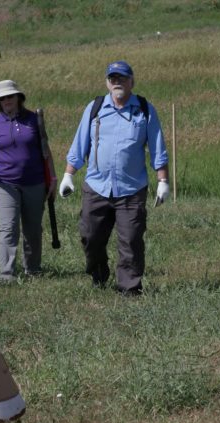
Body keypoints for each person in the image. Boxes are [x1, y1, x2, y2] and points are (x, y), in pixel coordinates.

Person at [59, 61, 169, 295]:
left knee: (130, 240)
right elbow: (80, 144)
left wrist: (163, 181)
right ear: (107, 83)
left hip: (131, 188)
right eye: (113, 79)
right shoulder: (95, 108)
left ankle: (129, 288)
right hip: (97, 186)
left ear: (132, 82)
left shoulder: (144, 109)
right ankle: (98, 275)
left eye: (122, 78)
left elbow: (158, 147)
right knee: (90, 236)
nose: (117, 82)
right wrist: (69, 175)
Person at [0, 80, 56, 282]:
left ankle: (33, 269)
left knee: (33, 228)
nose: (6, 101)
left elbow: (46, 151)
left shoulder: (34, 119)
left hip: (35, 182)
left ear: (18, 97)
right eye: (1, 98)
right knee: (8, 227)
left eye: (10, 96)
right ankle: (7, 274)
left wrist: (53, 178)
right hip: (4, 182)